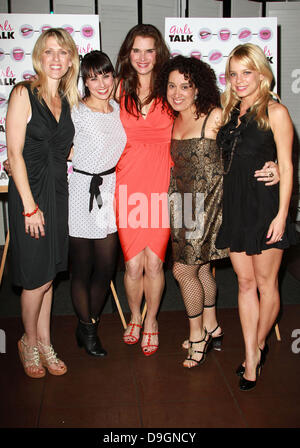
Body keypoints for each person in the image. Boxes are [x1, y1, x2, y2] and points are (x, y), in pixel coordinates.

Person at [215, 43, 298, 390]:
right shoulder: (228, 110)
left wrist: (281, 215)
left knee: (266, 284)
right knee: (245, 284)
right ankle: (252, 351)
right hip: (235, 207)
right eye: (233, 74)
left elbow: (289, 164)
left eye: (246, 72)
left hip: (265, 208)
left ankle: (256, 350)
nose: (239, 80)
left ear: (262, 73)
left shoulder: (275, 111)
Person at [6, 28, 79, 378]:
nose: (55, 59)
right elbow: (15, 154)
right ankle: (28, 342)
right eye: (49, 52)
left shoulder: (66, 100)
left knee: (50, 275)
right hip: (30, 196)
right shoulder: (24, 93)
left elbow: (69, 151)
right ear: (39, 56)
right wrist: (29, 206)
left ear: (70, 60)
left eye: (62, 53)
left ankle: (46, 342)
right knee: (36, 277)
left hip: (58, 193)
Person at [157, 55, 228, 367]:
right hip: (183, 203)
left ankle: (197, 336)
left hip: (209, 202)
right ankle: (212, 326)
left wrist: (275, 166)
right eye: (172, 86)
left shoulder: (215, 115)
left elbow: (248, 142)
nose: (177, 92)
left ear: (197, 88)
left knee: (182, 270)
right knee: (198, 268)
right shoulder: (172, 118)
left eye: (184, 86)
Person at [114, 24, 173, 355]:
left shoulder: (171, 88)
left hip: (161, 185)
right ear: (128, 52)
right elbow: (88, 123)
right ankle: (134, 316)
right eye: (136, 50)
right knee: (133, 264)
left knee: (155, 263)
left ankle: (152, 320)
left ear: (158, 53)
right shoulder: (116, 88)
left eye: (149, 50)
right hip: (128, 184)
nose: (143, 57)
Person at [69, 51, 126, 356]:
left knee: (106, 268)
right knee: (82, 268)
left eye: (105, 75)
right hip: (81, 190)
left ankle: (86, 321)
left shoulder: (119, 109)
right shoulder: (76, 111)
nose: (101, 83)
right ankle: (88, 329)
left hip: (110, 189)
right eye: (92, 77)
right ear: (85, 81)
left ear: (113, 76)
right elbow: (55, 146)